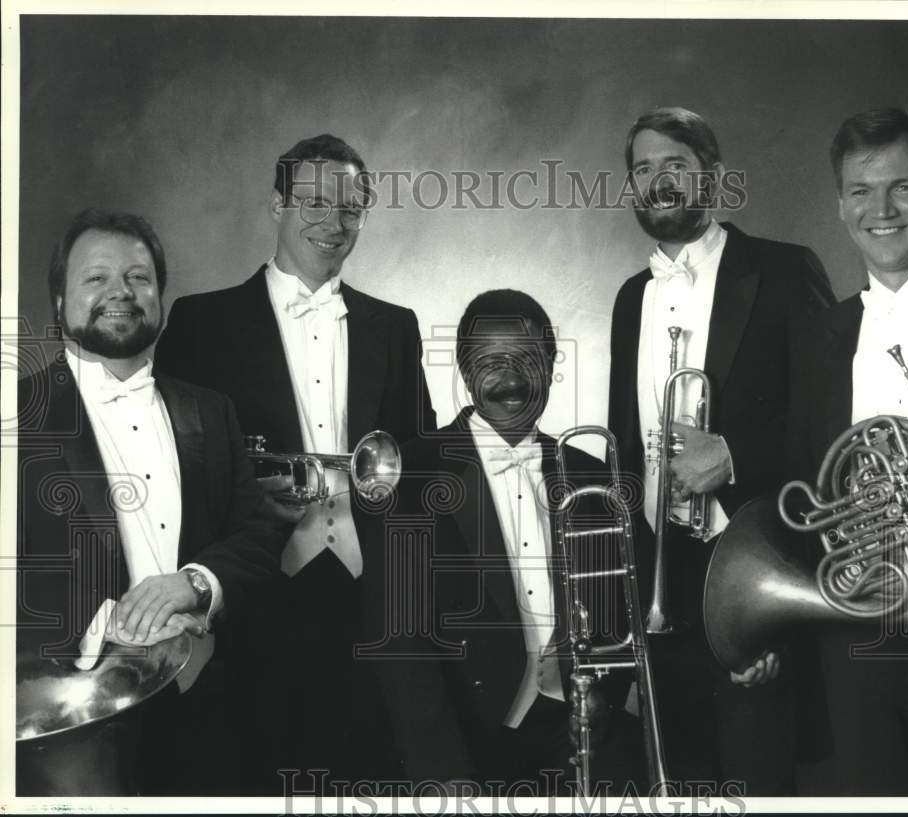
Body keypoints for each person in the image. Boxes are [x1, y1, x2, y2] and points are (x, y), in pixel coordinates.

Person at [154, 133, 436, 788]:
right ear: (277, 204)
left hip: (369, 595)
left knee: (365, 778)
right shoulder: (202, 321)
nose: (332, 222)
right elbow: (169, 465)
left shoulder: (393, 325)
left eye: (350, 207)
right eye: (313, 200)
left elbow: (412, 456)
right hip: (253, 591)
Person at [16, 209, 287, 795]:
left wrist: (196, 582)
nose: (121, 291)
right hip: (68, 733)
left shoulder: (212, 411)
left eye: (139, 277)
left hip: (206, 706)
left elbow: (259, 536)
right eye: (96, 278)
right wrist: (105, 633)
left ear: (160, 298)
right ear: (59, 304)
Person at [607, 106, 834, 793]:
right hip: (660, 592)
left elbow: (835, 422)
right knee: (679, 784)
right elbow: (625, 453)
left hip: (754, 576)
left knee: (755, 782)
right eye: (643, 169)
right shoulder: (629, 299)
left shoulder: (784, 270)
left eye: (675, 163)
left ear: (714, 176)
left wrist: (735, 454)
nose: (659, 181)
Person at [361, 289, 642, 794]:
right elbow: (399, 642)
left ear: (553, 363)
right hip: (462, 743)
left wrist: (601, 694)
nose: (511, 380)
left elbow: (618, 615)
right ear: (465, 371)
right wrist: (444, 772)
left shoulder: (593, 475)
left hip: (576, 737)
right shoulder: (412, 471)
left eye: (529, 360)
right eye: (490, 363)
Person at [785, 106, 908, 795]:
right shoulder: (817, 338)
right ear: (840, 206)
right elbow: (799, 489)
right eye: (861, 191)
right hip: (853, 642)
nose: (882, 209)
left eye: (903, 186)